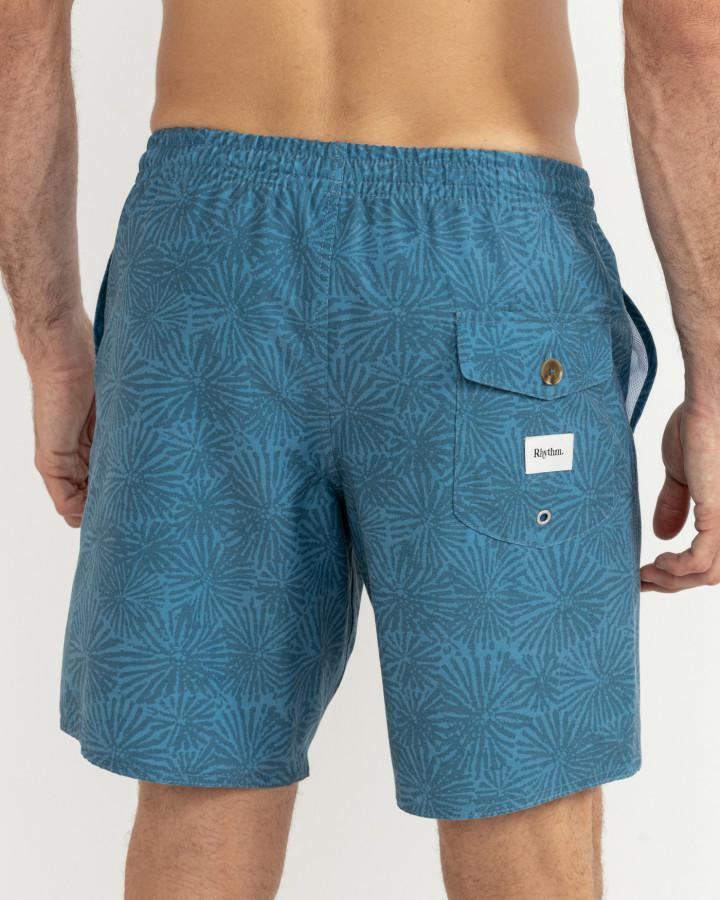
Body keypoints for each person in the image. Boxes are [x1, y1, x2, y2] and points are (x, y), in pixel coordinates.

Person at [1, 1, 719, 897]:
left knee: (199, 778)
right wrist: (713, 387)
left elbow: (19, 21)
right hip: (481, 261)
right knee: (522, 788)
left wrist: (50, 339)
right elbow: (683, 32)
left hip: (207, 264)